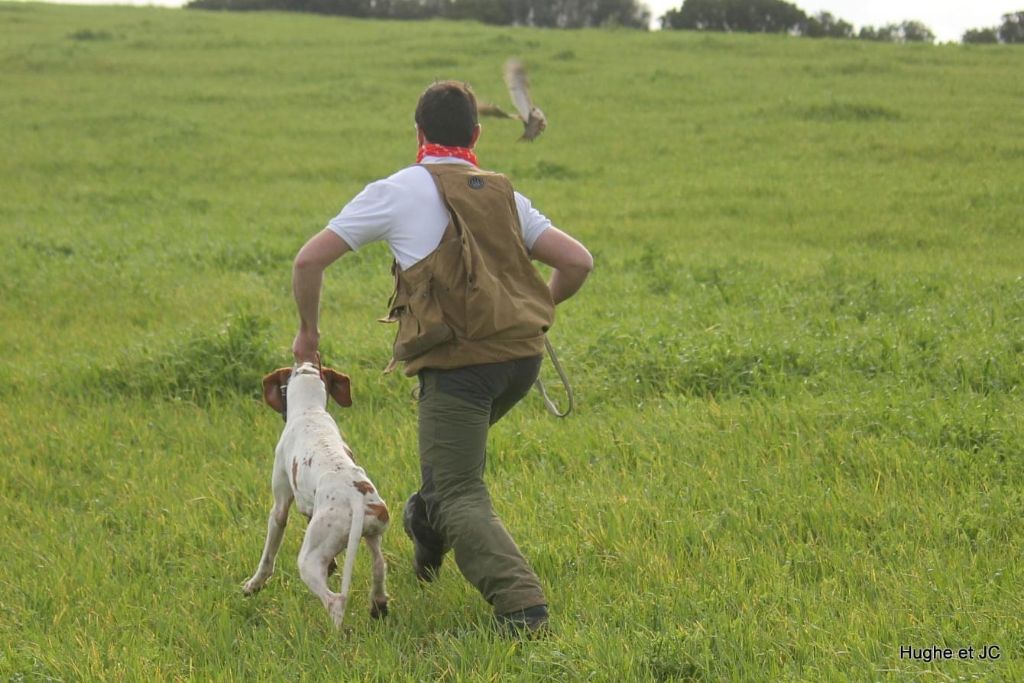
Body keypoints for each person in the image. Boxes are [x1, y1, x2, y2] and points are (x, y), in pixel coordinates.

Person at [290, 80, 592, 635]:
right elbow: (577, 262)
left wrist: (308, 334)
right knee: (446, 473)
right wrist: (532, 309)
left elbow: (309, 262)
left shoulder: (398, 189)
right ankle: (423, 527)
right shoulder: (501, 191)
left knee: (458, 490)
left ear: (418, 133)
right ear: (476, 135)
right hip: (520, 364)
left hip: (459, 370)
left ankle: (522, 608)